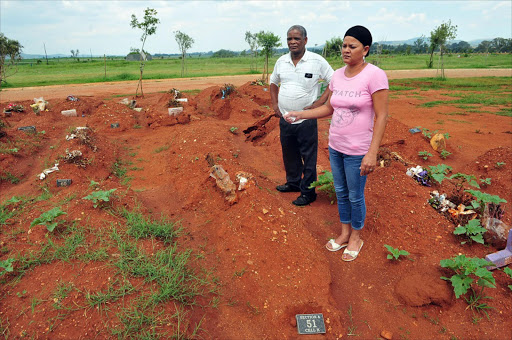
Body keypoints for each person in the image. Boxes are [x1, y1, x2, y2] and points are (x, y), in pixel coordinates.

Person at [285, 25, 389, 261]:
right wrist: (301, 114)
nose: (346, 50)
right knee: (341, 193)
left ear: (365, 49)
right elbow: (328, 108)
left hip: (358, 150)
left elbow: (381, 116)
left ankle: (356, 237)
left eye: (352, 46)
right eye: (343, 45)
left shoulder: (375, 75)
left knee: (355, 195)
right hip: (336, 147)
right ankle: (344, 234)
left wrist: (372, 153)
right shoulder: (339, 75)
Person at [270, 25, 334, 206]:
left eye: (297, 38)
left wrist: (320, 102)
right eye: (289, 39)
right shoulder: (281, 61)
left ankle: (308, 192)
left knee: (308, 156)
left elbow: (334, 80)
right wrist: (275, 104)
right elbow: (273, 82)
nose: (292, 42)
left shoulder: (317, 61)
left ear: (305, 40)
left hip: (306, 119)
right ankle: (293, 183)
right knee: (289, 152)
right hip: (285, 117)